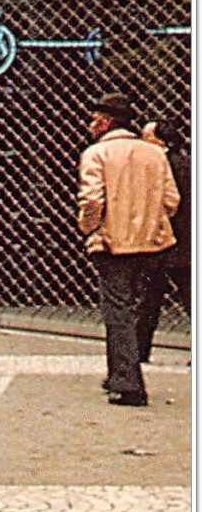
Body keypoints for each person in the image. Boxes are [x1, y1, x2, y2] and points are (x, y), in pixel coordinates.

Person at [77, 93, 180, 406]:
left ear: (106, 122)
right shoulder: (154, 155)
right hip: (152, 242)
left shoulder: (97, 154)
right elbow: (171, 200)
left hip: (113, 242)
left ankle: (127, 380)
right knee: (140, 306)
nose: (90, 125)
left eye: (95, 119)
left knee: (117, 309)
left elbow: (93, 200)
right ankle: (123, 371)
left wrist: (88, 227)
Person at [136, 118, 190, 362]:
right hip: (186, 243)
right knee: (190, 297)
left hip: (161, 240)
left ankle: (139, 350)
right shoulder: (188, 164)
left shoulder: (156, 166)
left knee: (149, 298)